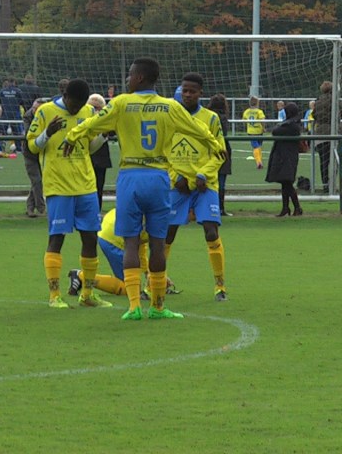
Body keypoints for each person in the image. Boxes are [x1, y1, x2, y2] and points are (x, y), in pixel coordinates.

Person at [65, 57, 225, 321]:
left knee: (131, 242)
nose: (127, 79)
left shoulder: (121, 103)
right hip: (159, 177)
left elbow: (91, 124)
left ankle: (133, 307)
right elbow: (196, 128)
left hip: (130, 176)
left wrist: (72, 136)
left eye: (130, 75)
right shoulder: (170, 106)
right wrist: (213, 143)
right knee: (158, 243)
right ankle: (158, 307)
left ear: (139, 77)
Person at [25, 78, 110, 309]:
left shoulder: (89, 111)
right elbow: (32, 146)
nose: (76, 109)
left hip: (86, 184)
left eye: (80, 105)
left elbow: (89, 147)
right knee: (57, 238)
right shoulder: (45, 111)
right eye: (74, 104)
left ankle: (87, 294)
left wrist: (104, 136)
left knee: (91, 238)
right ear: (65, 96)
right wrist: (47, 133)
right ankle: (54, 295)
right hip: (58, 185)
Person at [164, 73, 229, 302]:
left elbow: (220, 152)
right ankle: (154, 283)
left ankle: (220, 286)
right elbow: (161, 153)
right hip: (178, 184)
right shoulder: (170, 117)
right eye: (185, 90)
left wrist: (204, 174)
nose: (188, 94)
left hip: (205, 185)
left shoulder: (210, 118)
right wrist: (175, 176)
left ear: (201, 93)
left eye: (192, 91)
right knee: (167, 233)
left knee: (211, 231)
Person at [265, 102, 304, 216]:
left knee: (287, 182)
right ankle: (286, 208)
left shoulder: (292, 125)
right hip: (285, 155)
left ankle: (297, 207)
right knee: (285, 182)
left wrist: (279, 126)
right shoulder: (292, 123)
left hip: (287, 156)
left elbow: (275, 131)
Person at [207, 94, 233, 215]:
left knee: (208, 179)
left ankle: (207, 207)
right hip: (221, 149)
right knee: (221, 180)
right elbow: (223, 133)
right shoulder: (222, 118)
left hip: (208, 150)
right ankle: (220, 208)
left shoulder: (207, 116)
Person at [86, 94, 112, 208]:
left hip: (101, 159)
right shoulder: (84, 120)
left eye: (97, 108)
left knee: (99, 188)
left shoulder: (106, 120)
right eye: (92, 107)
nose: (95, 111)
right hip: (87, 159)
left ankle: (97, 211)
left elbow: (112, 131)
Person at [313, 81, 334, 192]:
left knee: (323, 161)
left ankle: (325, 184)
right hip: (332, 133)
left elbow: (314, 115)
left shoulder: (318, 101)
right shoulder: (333, 100)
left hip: (320, 133)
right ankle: (332, 183)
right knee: (333, 160)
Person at [242, 96, 266, 169]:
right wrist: (263, 128)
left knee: (256, 147)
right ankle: (259, 162)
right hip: (259, 131)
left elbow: (243, 120)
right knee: (258, 146)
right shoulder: (259, 112)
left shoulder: (246, 111)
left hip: (251, 132)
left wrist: (247, 126)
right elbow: (262, 120)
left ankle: (259, 162)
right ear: (257, 103)